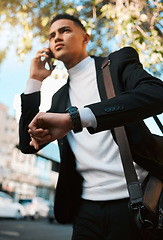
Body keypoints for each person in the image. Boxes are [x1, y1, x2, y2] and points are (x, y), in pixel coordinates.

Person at [19, 13, 163, 240]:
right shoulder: (59, 98)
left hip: (135, 202)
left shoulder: (115, 64)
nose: (57, 37)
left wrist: (77, 118)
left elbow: (157, 93)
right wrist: (35, 81)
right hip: (86, 209)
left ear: (85, 38)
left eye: (65, 30)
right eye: (51, 35)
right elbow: (29, 145)